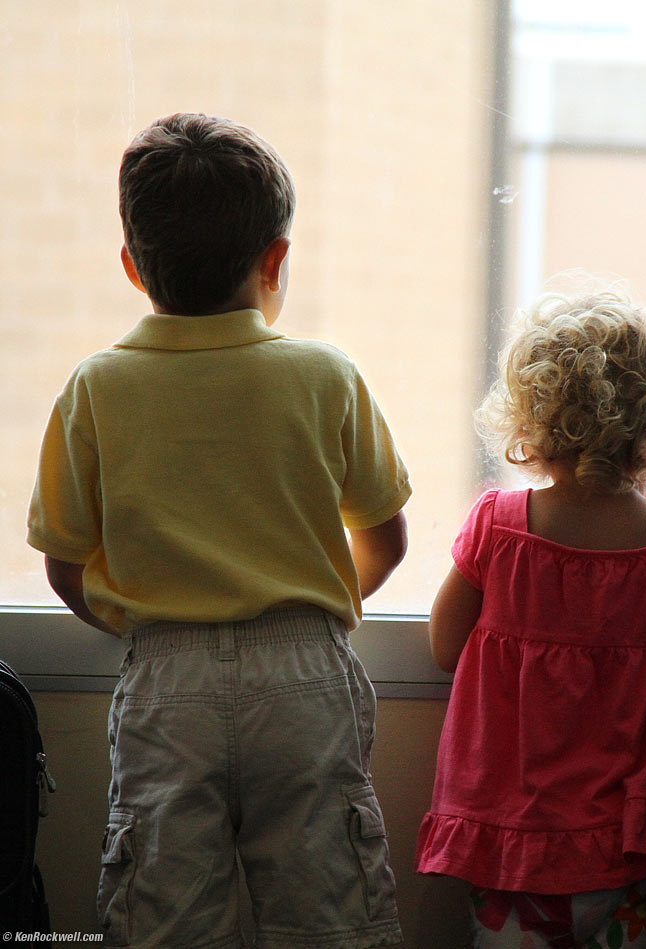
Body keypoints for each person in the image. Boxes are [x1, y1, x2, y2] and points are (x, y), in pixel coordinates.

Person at [27, 113, 410, 948]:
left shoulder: (95, 387)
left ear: (132, 268)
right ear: (276, 260)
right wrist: (309, 602)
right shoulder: (325, 374)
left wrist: (140, 616)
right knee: (329, 916)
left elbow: (64, 565)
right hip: (305, 674)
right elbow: (387, 540)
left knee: (162, 916)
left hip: (169, 676)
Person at [414, 288, 646, 948]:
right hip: (630, 844)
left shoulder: (499, 528)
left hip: (511, 845)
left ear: (530, 424)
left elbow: (442, 644)